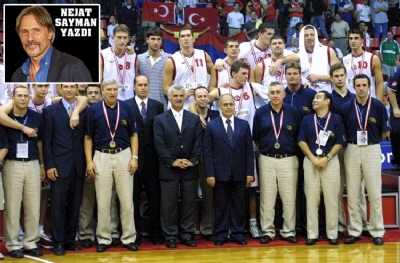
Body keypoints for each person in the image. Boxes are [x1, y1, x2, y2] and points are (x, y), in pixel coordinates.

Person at [85, 79, 139, 252]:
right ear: (102, 91)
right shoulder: (93, 110)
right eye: (108, 89)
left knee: (126, 200)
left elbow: (134, 135)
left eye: (115, 89)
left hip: (124, 155)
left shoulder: (127, 108)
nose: (112, 92)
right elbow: (88, 138)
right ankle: (104, 238)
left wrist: (134, 157)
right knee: (103, 201)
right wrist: (89, 161)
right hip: (101, 156)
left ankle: (129, 237)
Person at [342, 74, 389, 246]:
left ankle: (377, 230)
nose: (361, 88)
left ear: (369, 86)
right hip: (352, 149)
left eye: (364, 85)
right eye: (358, 85)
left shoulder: (378, 106)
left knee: (375, 193)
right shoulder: (347, 107)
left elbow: (384, 131)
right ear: (353, 87)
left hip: (371, 148)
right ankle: (355, 230)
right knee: (353, 194)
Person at [154, 85, 203, 248]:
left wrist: (193, 159)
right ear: (170, 98)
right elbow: (159, 144)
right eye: (175, 96)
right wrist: (172, 161)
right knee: (168, 204)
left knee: (189, 202)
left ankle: (187, 234)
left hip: (190, 167)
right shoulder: (160, 119)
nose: (178, 98)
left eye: (181, 96)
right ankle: (170, 235)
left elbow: (198, 142)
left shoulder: (194, 118)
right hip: (168, 168)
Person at [253, 81, 301, 244]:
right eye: (272, 92)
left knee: (289, 198)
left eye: (278, 92)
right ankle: (268, 231)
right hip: (267, 158)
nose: (275, 95)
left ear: (283, 94)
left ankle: (289, 231)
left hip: (288, 158)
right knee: (267, 197)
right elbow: (257, 137)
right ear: (268, 95)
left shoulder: (293, 112)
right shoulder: (260, 113)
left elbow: (298, 135)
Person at [204, 93, 254, 246]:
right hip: (219, 174)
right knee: (220, 205)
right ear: (219, 107)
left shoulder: (243, 125)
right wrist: (210, 173)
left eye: (231, 104)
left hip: (239, 172)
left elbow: (248, 151)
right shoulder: (212, 125)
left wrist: (250, 173)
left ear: (235, 106)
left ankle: (238, 233)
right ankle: (220, 234)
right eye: (225, 104)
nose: (228, 107)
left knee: (239, 205)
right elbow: (208, 152)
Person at [43, 83, 87, 256]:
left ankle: (70, 240)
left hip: (78, 165)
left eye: (72, 87)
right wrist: (50, 165)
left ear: (77, 88)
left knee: (75, 205)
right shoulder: (51, 111)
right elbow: (47, 141)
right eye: (65, 87)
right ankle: (58, 242)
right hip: (59, 166)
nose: (69, 90)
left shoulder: (83, 110)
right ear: (60, 89)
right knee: (58, 206)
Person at [298, 91, 346, 245]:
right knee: (311, 200)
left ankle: (332, 234)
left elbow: (340, 142)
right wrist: (312, 159)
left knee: (331, 199)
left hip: (330, 162)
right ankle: (312, 234)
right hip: (311, 161)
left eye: (318, 97)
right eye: (314, 98)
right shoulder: (307, 120)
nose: (314, 100)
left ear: (327, 101)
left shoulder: (336, 119)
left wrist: (328, 158)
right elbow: (301, 141)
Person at [2, 85, 44, 258]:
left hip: (33, 163)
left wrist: (42, 165)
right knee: (12, 206)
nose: (22, 98)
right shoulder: (6, 117)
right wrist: (22, 128)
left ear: (29, 97)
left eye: (25, 95)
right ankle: (12, 244)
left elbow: (40, 143)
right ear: (13, 96)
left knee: (33, 205)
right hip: (12, 164)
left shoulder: (37, 117)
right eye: (19, 95)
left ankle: (31, 242)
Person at [78, 84, 121, 248]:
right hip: (87, 161)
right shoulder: (81, 112)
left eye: (96, 92)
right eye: (90, 93)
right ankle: (86, 234)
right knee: (87, 200)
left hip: (107, 159)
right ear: (85, 95)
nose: (94, 95)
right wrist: (87, 162)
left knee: (109, 199)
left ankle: (113, 232)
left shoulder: (111, 111)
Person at [329, 63, 369, 238]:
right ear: (331, 79)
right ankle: (339, 225)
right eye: (336, 76)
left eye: (341, 75)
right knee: (337, 189)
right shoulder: (328, 100)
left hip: (353, 147)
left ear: (346, 77)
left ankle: (362, 223)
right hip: (336, 149)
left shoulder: (355, 97)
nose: (339, 78)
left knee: (358, 188)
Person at [125, 75, 164, 246]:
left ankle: (156, 232)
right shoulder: (126, 105)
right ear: (134, 87)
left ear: (149, 86)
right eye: (139, 85)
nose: (142, 88)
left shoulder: (158, 106)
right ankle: (136, 232)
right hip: (132, 160)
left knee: (155, 198)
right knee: (132, 198)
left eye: (145, 85)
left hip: (153, 160)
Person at [11, 6, 92, 82]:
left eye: (36, 30)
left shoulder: (74, 67)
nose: (30, 38)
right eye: (24, 32)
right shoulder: (17, 76)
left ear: (50, 33)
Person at [192, 86, 220, 241]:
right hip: (193, 159)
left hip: (210, 161)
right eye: (199, 96)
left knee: (209, 197)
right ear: (195, 99)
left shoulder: (216, 115)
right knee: (190, 196)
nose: (203, 98)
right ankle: (189, 228)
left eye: (205, 96)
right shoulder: (190, 115)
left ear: (209, 99)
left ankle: (207, 228)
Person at [162, 26, 213, 110]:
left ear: (193, 39)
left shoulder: (203, 55)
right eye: (182, 36)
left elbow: (215, 73)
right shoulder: (172, 60)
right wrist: (182, 94)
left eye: (188, 35)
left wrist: (219, 62)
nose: (186, 38)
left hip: (201, 106)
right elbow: (165, 88)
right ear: (179, 40)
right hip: (181, 107)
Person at [136, 27, 171, 111]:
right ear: (147, 39)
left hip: (164, 106)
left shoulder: (170, 58)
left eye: (159, 39)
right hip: (143, 107)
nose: (156, 42)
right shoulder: (139, 59)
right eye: (153, 39)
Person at [343, 28, 384, 101]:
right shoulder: (344, 60)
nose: (353, 41)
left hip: (369, 100)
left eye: (356, 38)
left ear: (362, 41)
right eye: (351, 38)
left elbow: (380, 83)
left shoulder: (372, 58)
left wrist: (378, 103)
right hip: (351, 102)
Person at [298, 25, 339, 92]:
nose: (309, 38)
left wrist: (319, 77)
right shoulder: (297, 56)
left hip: (325, 93)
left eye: (312, 35)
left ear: (316, 36)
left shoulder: (328, 51)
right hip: (305, 94)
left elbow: (337, 77)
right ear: (302, 38)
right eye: (306, 35)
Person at [101, 24, 137, 101]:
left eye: (125, 38)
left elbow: (136, 78)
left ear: (129, 39)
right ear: (113, 38)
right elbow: (100, 80)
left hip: (129, 99)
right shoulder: (103, 55)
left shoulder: (133, 56)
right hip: (109, 99)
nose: (122, 41)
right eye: (119, 37)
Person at [387, 68, 400, 170]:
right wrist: (395, 107)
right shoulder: (399, 71)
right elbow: (390, 89)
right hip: (398, 105)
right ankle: (396, 161)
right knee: (396, 132)